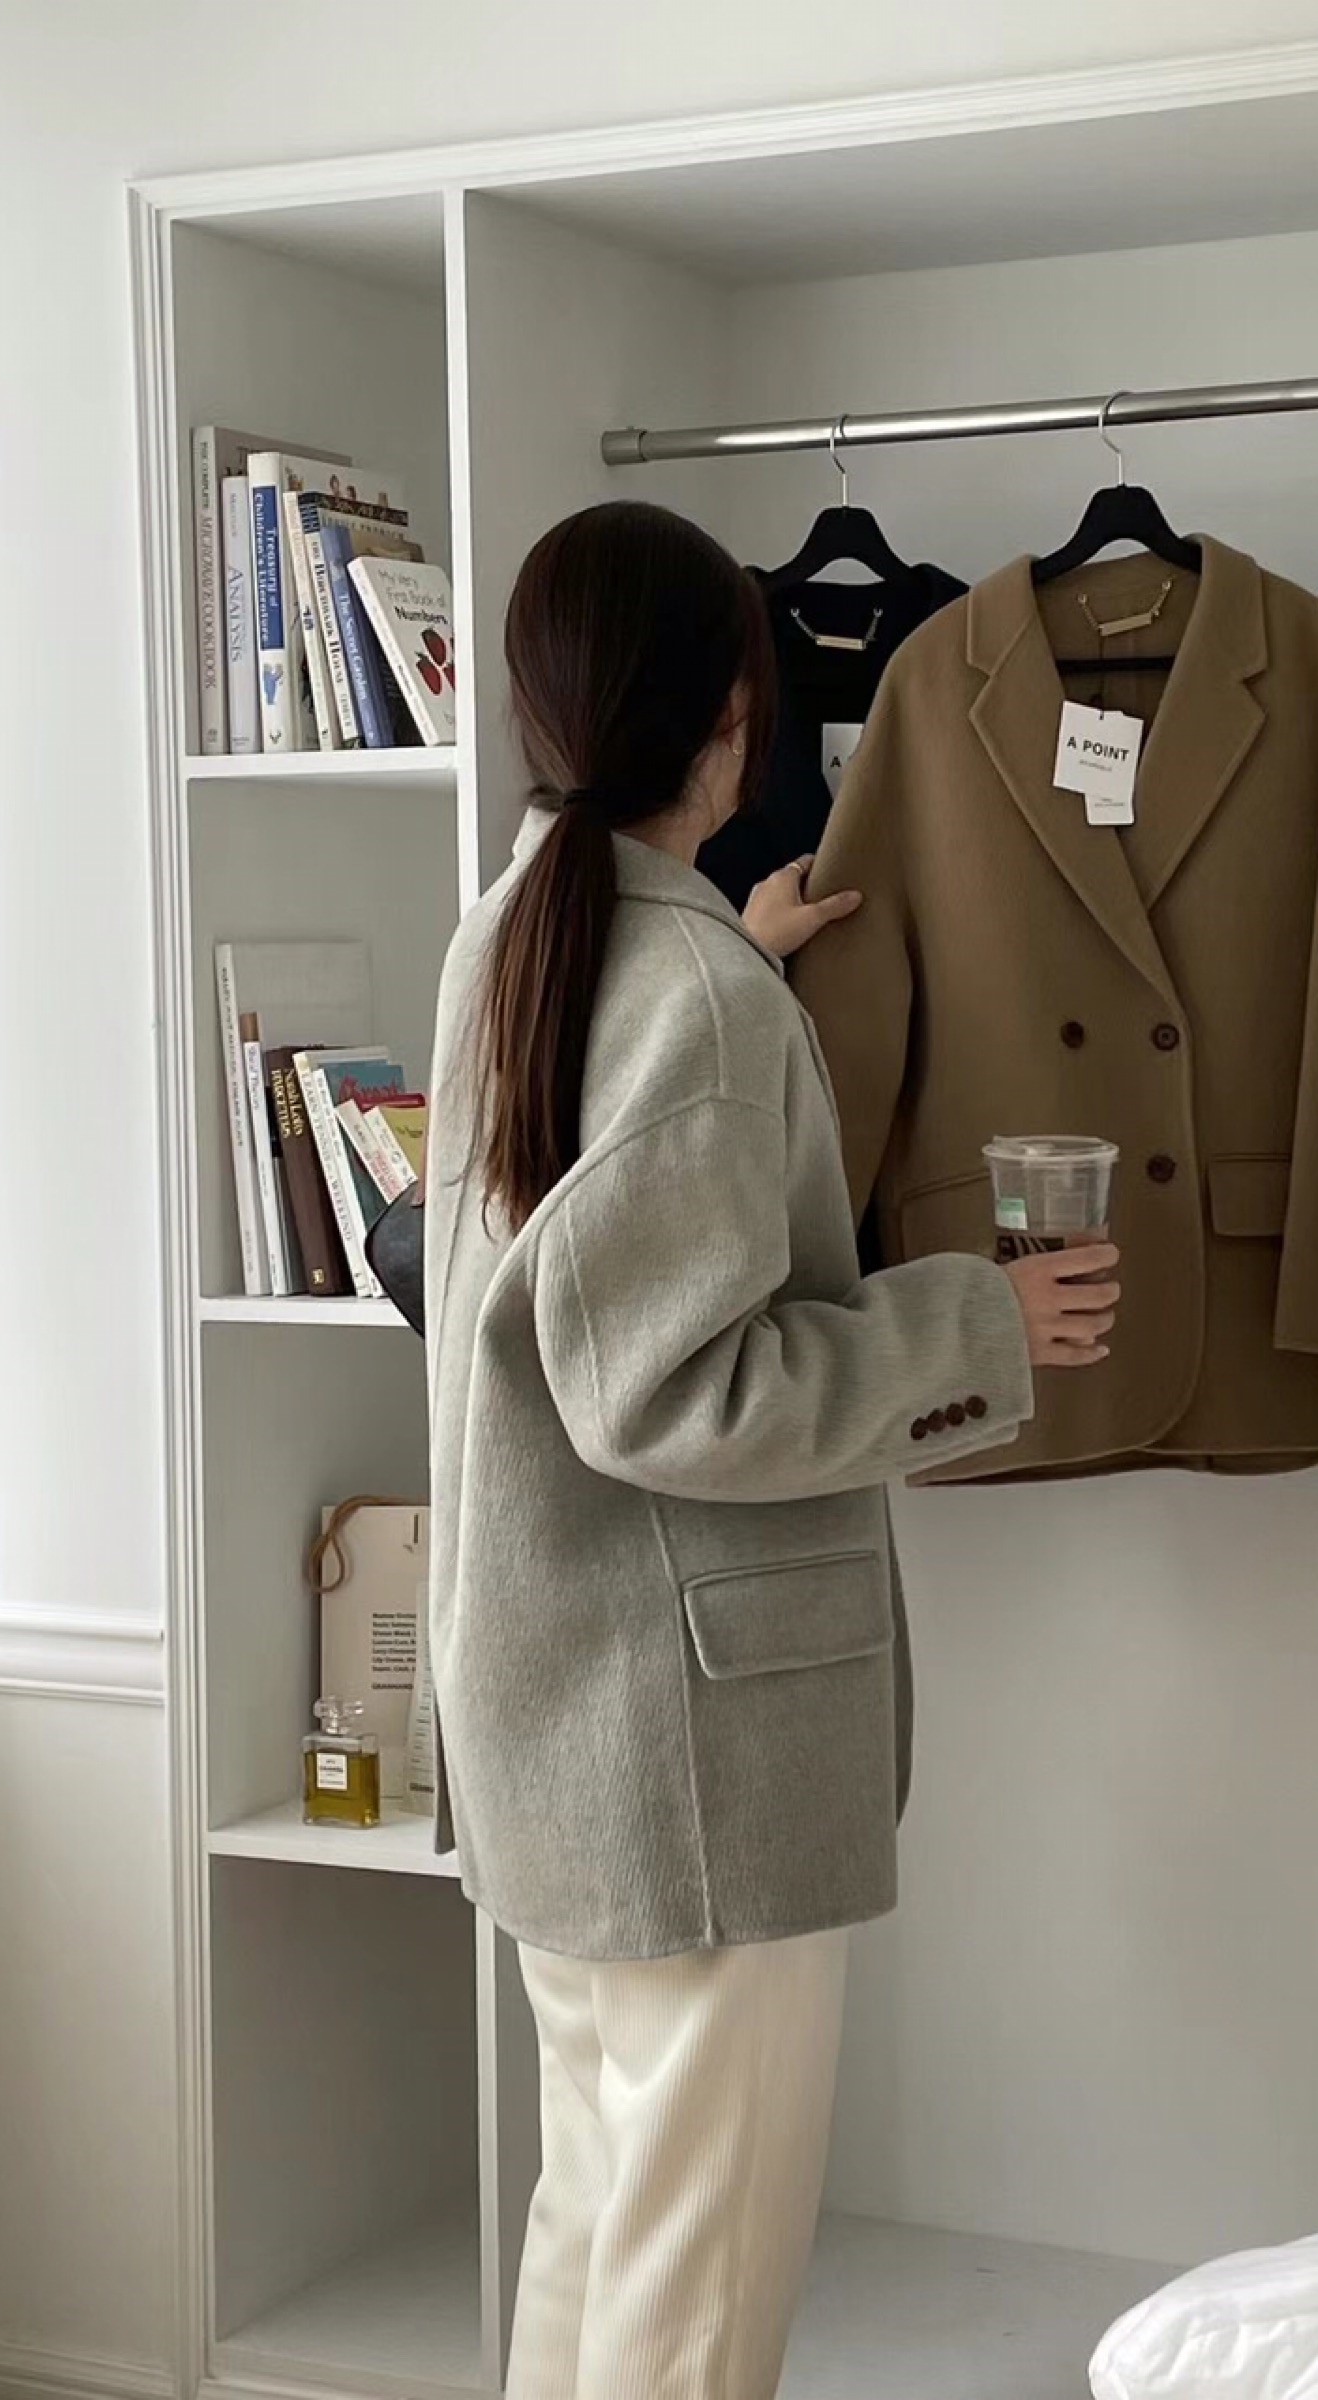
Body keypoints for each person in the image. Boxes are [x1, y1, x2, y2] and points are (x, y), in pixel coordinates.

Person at [424, 498, 1119, 2400]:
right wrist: (984, 1322)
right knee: (696, 2292)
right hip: (695, 1753)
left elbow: (581, 1287)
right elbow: (671, 1391)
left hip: (555, 1719)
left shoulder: (513, 941)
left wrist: (744, 959)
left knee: (602, 2224)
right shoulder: (697, 1004)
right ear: (735, 714)